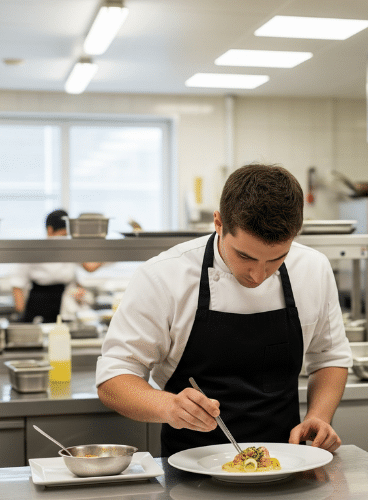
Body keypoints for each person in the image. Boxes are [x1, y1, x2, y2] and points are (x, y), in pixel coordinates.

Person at [95, 164, 351, 456]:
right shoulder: (163, 276)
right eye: (245, 256)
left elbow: (329, 357)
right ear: (218, 223)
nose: (258, 275)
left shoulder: (313, 268)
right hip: (190, 467)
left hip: (287, 461)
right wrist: (168, 406)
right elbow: (114, 377)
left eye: (276, 259)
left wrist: (319, 416)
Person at [11, 209, 102, 323]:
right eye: (62, 235)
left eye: (66, 236)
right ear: (50, 230)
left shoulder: (70, 249)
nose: (63, 240)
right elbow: (17, 284)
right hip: (39, 303)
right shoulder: (33, 250)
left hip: (64, 306)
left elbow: (89, 267)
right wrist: (22, 316)